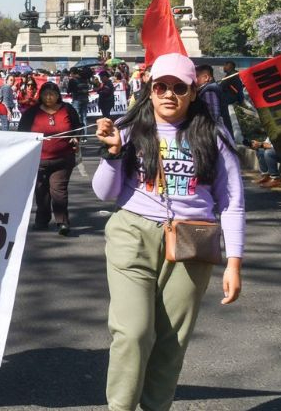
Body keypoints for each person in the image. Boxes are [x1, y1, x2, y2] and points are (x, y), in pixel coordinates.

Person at [92, 53, 244, 411]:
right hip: (133, 233)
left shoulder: (213, 135)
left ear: (193, 91)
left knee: (171, 341)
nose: (169, 94)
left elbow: (233, 202)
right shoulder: (129, 128)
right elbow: (105, 193)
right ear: (150, 89)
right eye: (161, 86)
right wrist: (113, 153)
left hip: (193, 239)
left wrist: (234, 263)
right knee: (133, 332)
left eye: (179, 87)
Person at [17, 81, 82, 236]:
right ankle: (41, 220)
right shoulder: (32, 112)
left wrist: (76, 138)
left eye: (52, 94)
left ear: (58, 95)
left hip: (63, 159)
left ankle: (62, 222)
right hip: (38, 160)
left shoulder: (68, 109)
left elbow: (77, 127)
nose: (49, 97)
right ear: (41, 96)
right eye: (45, 94)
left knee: (58, 191)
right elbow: (21, 132)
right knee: (41, 192)